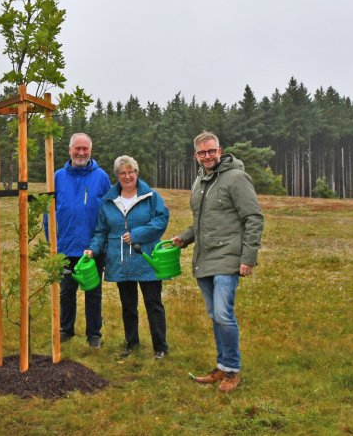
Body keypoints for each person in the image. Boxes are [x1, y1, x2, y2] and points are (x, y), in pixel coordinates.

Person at [172, 131, 264, 393]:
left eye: (211, 151)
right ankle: (222, 366)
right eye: (202, 152)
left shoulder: (236, 178)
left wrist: (248, 258)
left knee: (224, 313)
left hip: (228, 258)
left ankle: (233, 370)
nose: (207, 156)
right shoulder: (200, 181)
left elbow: (254, 218)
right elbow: (202, 221)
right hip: (205, 258)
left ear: (220, 151)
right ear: (196, 156)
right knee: (215, 315)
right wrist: (185, 237)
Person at [84, 155, 170, 359]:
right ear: (117, 176)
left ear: (136, 173)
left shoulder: (151, 197)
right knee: (128, 306)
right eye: (122, 173)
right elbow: (101, 231)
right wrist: (93, 249)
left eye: (131, 172)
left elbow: (161, 220)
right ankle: (132, 343)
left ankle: (161, 347)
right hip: (121, 262)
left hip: (147, 259)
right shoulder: (108, 201)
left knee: (153, 304)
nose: (127, 176)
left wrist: (137, 234)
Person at [51, 132, 111, 348]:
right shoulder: (57, 176)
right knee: (67, 291)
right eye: (77, 148)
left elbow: (108, 212)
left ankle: (94, 333)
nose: (81, 152)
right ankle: (66, 329)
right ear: (69, 150)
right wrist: (52, 243)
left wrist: (101, 244)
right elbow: (49, 212)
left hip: (92, 248)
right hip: (65, 247)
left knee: (93, 292)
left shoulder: (101, 177)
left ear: (90, 151)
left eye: (85, 149)